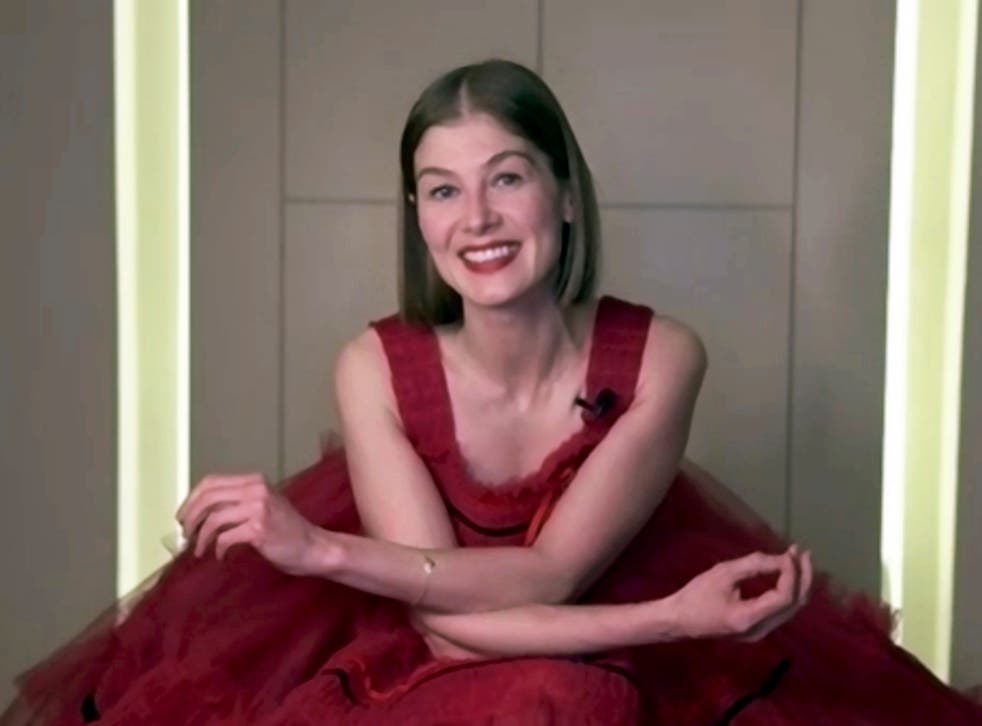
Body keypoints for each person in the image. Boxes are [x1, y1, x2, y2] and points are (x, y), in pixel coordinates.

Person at [4, 59, 980, 726]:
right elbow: (442, 630)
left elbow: (546, 576)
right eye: (442, 190)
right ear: (418, 216)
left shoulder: (663, 358)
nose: (476, 218)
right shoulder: (372, 367)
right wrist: (675, 616)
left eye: (506, 179)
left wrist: (682, 625)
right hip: (400, 650)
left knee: (577, 700)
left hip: (588, 615)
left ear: (565, 193)